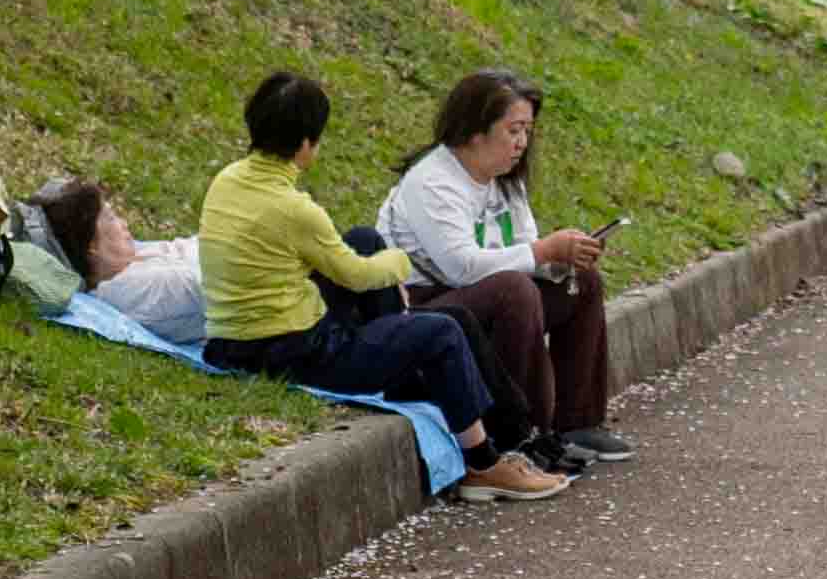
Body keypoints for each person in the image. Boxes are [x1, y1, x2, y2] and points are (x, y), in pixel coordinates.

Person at [197, 68, 560, 501]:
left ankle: (403, 362)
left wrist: (379, 256)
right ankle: (483, 463)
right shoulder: (295, 209)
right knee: (443, 330)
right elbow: (356, 275)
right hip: (290, 350)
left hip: (229, 340)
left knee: (365, 239)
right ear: (307, 143)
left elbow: (347, 259)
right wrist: (398, 262)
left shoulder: (227, 180)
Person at [380, 69, 619, 473]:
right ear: (475, 131)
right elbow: (462, 267)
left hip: (487, 293)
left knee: (583, 284)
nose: (522, 143)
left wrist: (560, 260)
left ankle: (576, 423)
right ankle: (525, 434)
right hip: (425, 307)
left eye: (527, 131)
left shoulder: (504, 179)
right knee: (513, 290)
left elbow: (523, 247)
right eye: (513, 130)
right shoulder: (432, 182)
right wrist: (543, 250)